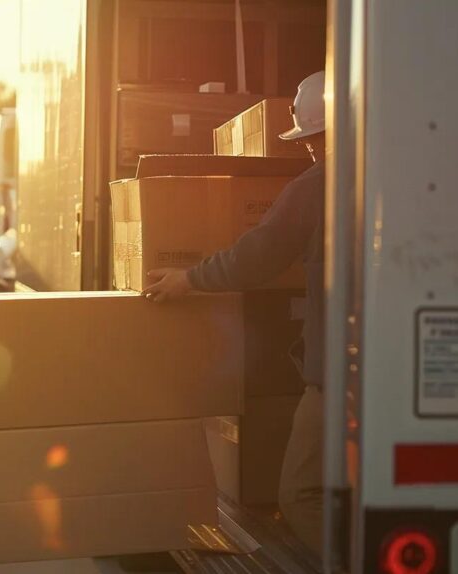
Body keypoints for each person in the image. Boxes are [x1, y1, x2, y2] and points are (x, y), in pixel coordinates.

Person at [142, 71, 326, 553]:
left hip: (342, 377)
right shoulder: (410, 182)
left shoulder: (318, 187)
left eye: (313, 139)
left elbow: (255, 257)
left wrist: (187, 278)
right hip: (407, 373)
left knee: (301, 494)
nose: (309, 150)